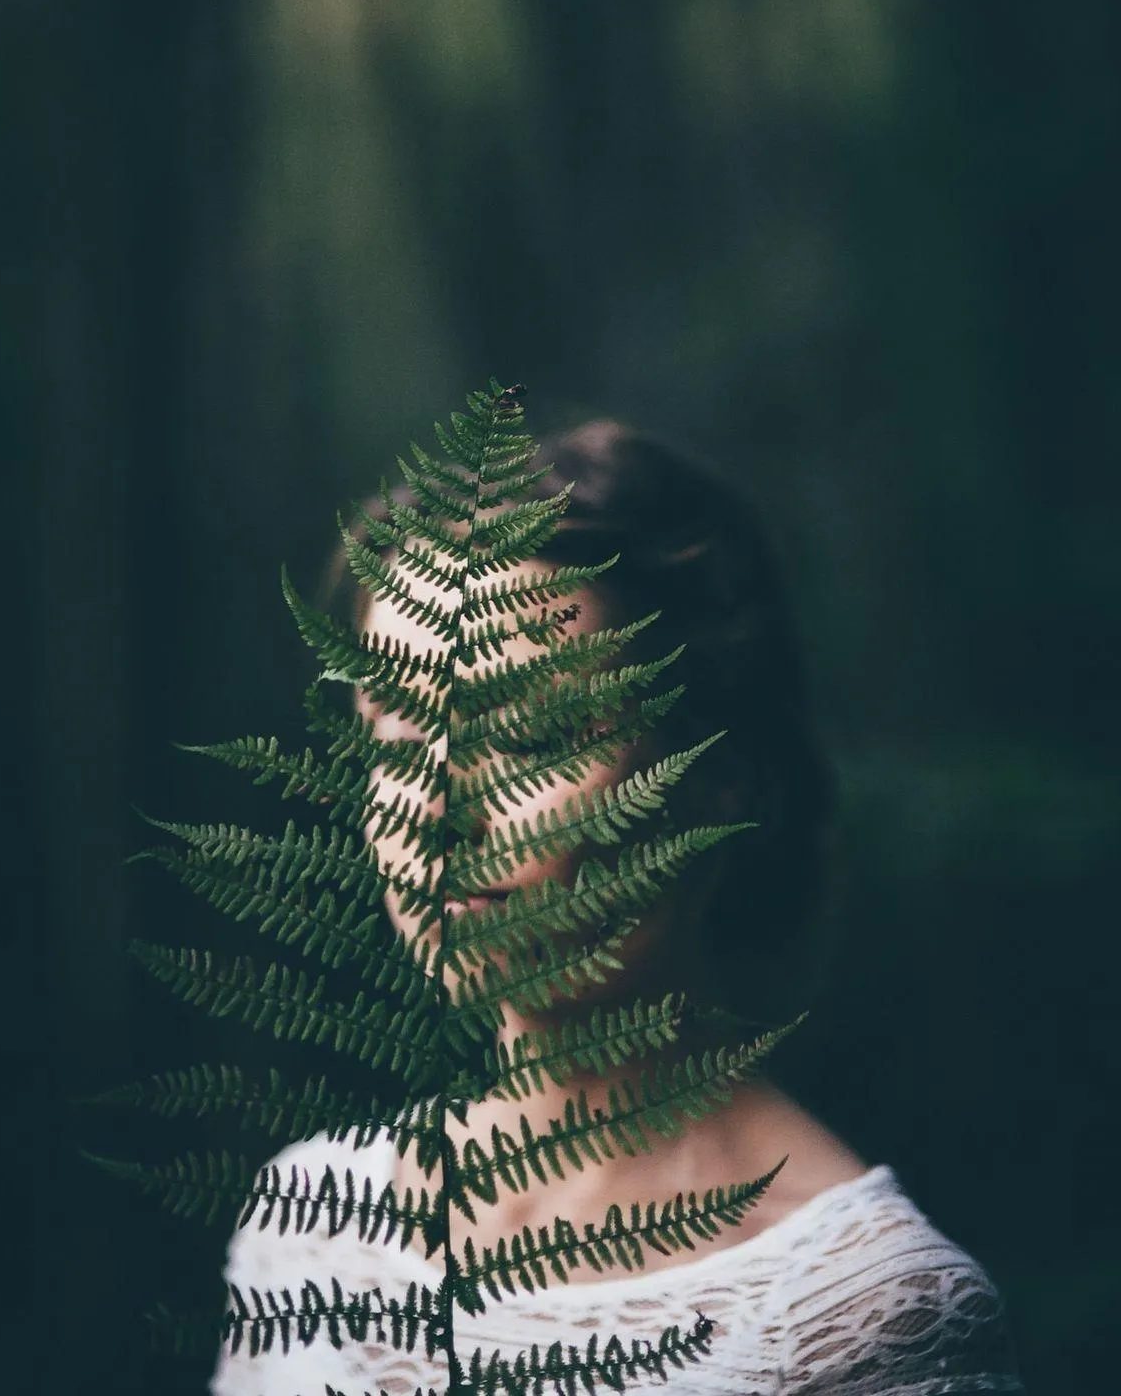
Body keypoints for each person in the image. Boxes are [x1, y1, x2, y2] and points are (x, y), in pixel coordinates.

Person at [211, 419, 1022, 1394]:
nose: (436, 809)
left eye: (522, 732)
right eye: (395, 732)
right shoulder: (308, 1221)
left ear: (720, 777)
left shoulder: (868, 1317)